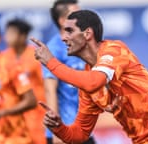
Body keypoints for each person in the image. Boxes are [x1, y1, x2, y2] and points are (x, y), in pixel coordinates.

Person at [31, 10, 148, 144]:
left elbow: (95, 82)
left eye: (69, 31)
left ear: (87, 34)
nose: (63, 38)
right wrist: (58, 127)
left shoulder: (114, 50)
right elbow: (79, 134)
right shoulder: (87, 79)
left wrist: (51, 62)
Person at [43, 0, 95, 144]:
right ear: (62, 21)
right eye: (76, 14)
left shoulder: (82, 45)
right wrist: (57, 131)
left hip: (83, 128)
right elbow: (50, 90)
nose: (82, 17)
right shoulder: (54, 49)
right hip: (65, 131)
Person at [3, 19, 46, 144]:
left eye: (11, 33)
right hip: (13, 117)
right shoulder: (4, 58)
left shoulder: (37, 56)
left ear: (23, 36)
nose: (7, 37)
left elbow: (48, 84)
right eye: (7, 33)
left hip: (37, 116)